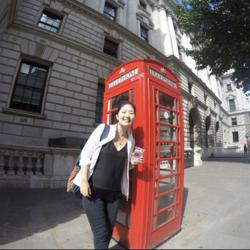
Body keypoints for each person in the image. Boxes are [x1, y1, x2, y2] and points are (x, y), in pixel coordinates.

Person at [79, 100, 143, 249]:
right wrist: (83, 180)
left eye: (131, 113)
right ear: (117, 115)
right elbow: (86, 154)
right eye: (124, 112)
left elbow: (123, 168)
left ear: (134, 117)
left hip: (114, 196)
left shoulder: (131, 140)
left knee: (107, 233)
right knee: (101, 234)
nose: (127, 115)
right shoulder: (103, 129)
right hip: (93, 193)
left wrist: (133, 164)